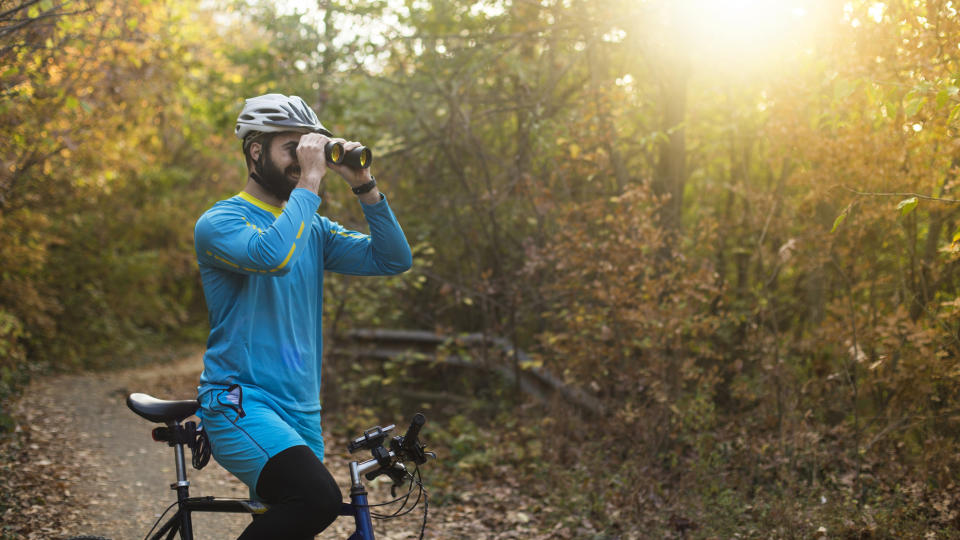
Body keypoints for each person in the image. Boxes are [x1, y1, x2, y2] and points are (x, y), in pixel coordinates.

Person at [193, 93, 413, 539]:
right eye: (291, 148)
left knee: (299, 519)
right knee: (317, 500)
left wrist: (363, 184)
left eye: (310, 147)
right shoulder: (221, 221)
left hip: (302, 410)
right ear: (256, 151)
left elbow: (392, 259)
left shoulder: (312, 227)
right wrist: (310, 180)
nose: (303, 158)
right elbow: (271, 255)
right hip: (240, 401)